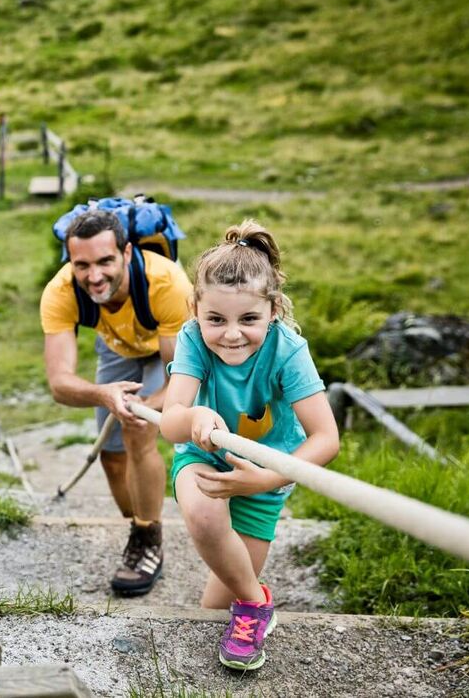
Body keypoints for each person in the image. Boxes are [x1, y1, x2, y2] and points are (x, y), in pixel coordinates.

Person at [159, 219, 339, 671]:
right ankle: (259, 605)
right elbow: (171, 423)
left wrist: (266, 479)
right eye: (216, 319)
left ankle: (244, 610)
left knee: (220, 602)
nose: (232, 334)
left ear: (272, 310)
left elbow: (326, 439)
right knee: (204, 516)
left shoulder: (288, 351)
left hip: (267, 473)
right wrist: (194, 416)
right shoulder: (192, 338)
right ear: (195, 309)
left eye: (249, 319)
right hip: (206, 455)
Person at [40, 210, 192, 597]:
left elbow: (179, 380)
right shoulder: (61, 292)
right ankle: (137, 522)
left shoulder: (167, 283)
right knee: (111, 456)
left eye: (105, 261)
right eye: (82, 265)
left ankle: (147, 540)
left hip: (166, 349)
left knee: (137, 430)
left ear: (126, 253)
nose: (94, 276)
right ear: (70, 261)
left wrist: (147, 407)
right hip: (117, 347)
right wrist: (104, 394)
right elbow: (59, 383)